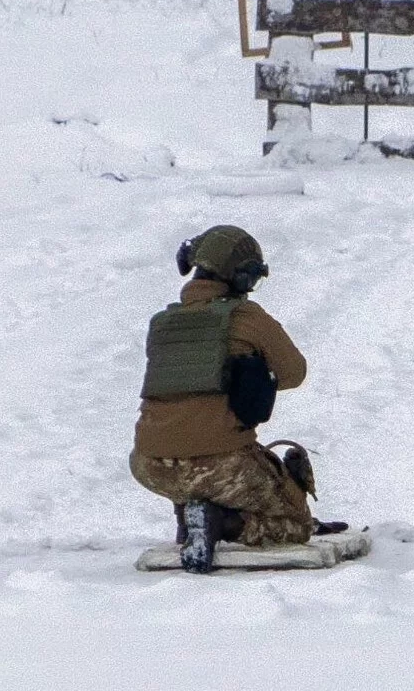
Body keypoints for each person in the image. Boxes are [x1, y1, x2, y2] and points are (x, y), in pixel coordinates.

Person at [130, 225, 340, 573]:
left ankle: (189, 515)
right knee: (295, 524)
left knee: (199, 463)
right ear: (240, 277)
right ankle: (222, 523)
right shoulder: (245, 317)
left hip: (149, 466)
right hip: (221, 465)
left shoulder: (162, 322)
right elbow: (294, 372)